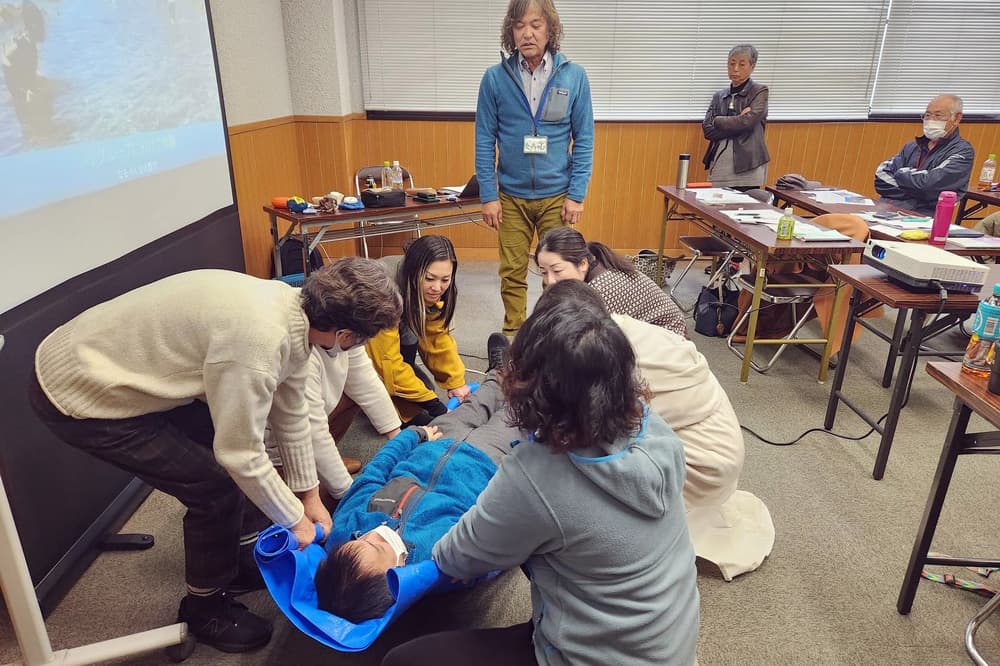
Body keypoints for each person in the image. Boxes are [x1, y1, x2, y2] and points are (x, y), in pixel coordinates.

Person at [28, 259, 402, 654]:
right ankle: (205, 610)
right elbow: (241, 455)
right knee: (215, 486)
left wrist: (308, 495)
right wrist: (294, 519)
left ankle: (237, 559)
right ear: (344, 335)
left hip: (108, 363)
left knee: (227, 457)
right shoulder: (258, 344)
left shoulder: (294, 314)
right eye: (360, 341)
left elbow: (290, 414)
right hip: (78, 388)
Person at [385, 287, 700, 666]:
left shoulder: (536, 475)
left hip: (592, 658)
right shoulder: (656, 428)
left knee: (401, 661)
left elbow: (457, 556)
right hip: (667, 649)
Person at [315, 372, 517, 622]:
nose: (373, 533)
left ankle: (504, 369)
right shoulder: (440, 561)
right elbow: (499, 549)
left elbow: (376, 470)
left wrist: (415, 435)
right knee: (521, 409)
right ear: (397, 575)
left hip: (437, 438)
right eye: (377, 545)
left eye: (360, 538)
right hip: (486, 461)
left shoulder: (345, 527)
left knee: (488, 392)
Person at [476, 0, 594, 337]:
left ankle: (553, 336)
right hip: (510, 197)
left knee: (558, 273)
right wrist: (488, 195)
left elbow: (584, 139)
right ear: (510, 31)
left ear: (550, 28)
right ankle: (514, 337)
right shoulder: (494, 79)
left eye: (535, 24)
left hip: (557, 195)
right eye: (519, 25)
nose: (527, 33)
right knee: (512, 272)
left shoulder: (574, 76)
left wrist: (577, 194)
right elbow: (484, 140)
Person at [265, 343, 402, 494]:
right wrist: (347, 493)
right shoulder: (298, 355)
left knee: (354, 394)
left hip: (306, 421)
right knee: (323, 499)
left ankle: (324, 462)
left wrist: (400, 441)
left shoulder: (348, 334)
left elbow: (366, 381)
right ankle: (283, 467)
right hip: (268, 442)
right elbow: (312, 429)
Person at [366, 235, 471, 427]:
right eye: (429, 278)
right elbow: (386, 362)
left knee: (422, 392)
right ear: (413, 271)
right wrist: (434, 405)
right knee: (406, 406)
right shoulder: (381, 290)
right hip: (344, 349)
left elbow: (436, 337)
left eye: (445, 279)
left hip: (396, 323)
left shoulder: (431, 291)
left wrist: (455, 381)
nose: (437, 288)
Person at [534, 226, 688, 337]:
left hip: (669, 341)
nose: (550, 281)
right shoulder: (592, 268)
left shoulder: (601, 288)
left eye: (557, 270)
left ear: (582, 264)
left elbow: (593, 339)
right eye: (544, 272)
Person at [874, 94, 975, 216]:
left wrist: (900, 174)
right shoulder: (911, 146)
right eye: (927, 115)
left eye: (938, 115)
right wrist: (916, 190)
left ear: (957, 118)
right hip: (885, 209)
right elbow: (881, 178)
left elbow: (930, 186)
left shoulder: (962, 152)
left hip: (921, 218)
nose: (931, 120)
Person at [702, 43, 770, 190]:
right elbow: (708, 130)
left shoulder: (759, 92)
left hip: (748, 167)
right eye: (732, 64)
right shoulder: (719, 96)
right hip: (719, 165)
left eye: (742, 64)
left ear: (752, 67)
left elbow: (748, 122)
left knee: (746, 205)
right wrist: (738, 119)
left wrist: (718, 121)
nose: (735, 69)